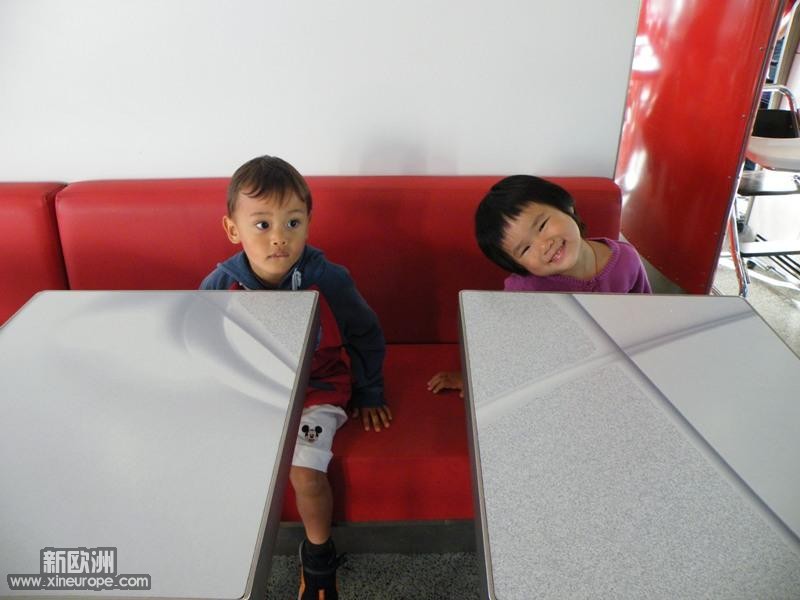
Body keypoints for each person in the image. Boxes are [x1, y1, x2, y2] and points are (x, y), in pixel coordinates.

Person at [201, 155, 391, 600]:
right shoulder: (219, 284)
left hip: (316, 390)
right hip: (253, 391)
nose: (279, 237)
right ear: (233, 229)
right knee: (217, 460)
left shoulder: (330, 279)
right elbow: (203, 340)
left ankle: (318, 555)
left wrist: (369, 391)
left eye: (293, 222)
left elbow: (365, 333)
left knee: (305, 473)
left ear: (308, 223)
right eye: (262, 224)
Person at [427, 174, 651, 396]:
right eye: (525, 249)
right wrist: (474, 377)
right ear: (518, 265)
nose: (544, 246)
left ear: (566, 207)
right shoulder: (522, 291)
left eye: (542, 225)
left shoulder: (627, 259)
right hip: (554, 377)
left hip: (616, 368)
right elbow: (502, 345)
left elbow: (648, 315)